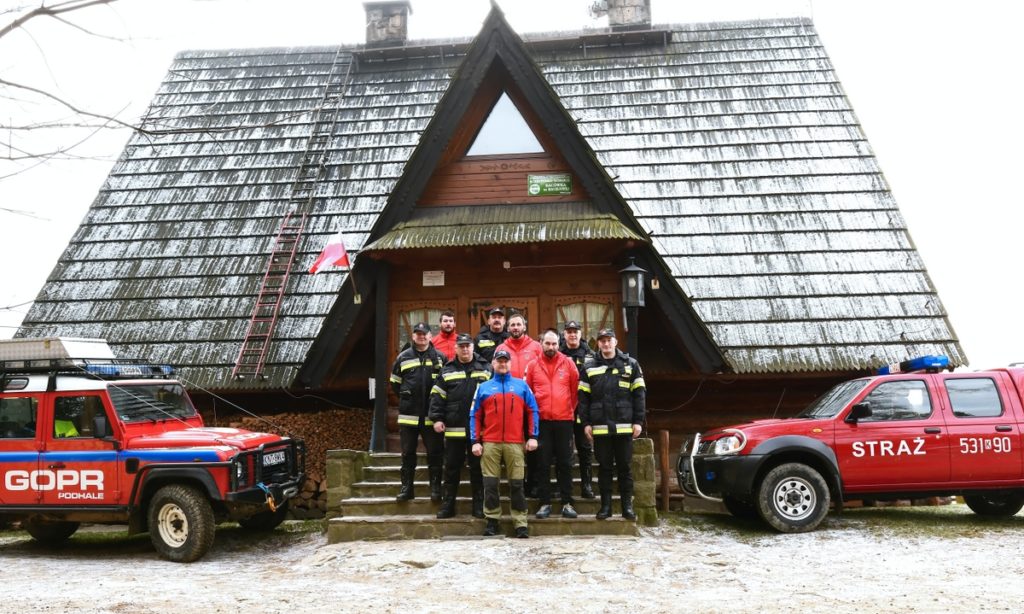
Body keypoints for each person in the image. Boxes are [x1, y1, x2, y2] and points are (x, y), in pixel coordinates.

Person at [470, 350, 540, 538]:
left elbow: (532, 410)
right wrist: (475, 440)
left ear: (510, 364)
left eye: (505, 361)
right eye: (499, 361)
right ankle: (492, 521)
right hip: (490, 443)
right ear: (493, 363)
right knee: (490, 484)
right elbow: (474, 415)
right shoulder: (483, 387)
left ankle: (520, 523)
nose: (502, 364)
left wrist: (533, 436)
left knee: (517, 484)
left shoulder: (522, 386)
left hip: (515, 442)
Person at [578, 328, 646, 520]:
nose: (606, 344)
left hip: (625, 427)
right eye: (602, 341)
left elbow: (639, 395)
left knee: (625, 468)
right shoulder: (589, 367)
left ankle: (627, 507)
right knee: (604, 468)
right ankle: (605, 507)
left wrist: (638, 421)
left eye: (609, 340)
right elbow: (583, 399)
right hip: (600, 427)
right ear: (598, 344)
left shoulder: (631, 364)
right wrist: (586, 424)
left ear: (616, 342)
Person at [429, 333, 491, 519]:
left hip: (477, 431)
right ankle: (448, 505)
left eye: (468, 346)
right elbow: (437, 396)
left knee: (477, 469)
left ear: (473, 347)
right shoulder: (447, 370)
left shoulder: (486, 369)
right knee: (451, 469)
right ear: (455, 348)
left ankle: (479, 505)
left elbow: (493, 398)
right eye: (461, 346)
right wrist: (437, 418)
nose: (465, 349)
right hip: (454, 429)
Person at [525, 329, 580, 519]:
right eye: (547, 343)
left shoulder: (569, 363)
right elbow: (529, 394)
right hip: (541, 422)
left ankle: (567, 503)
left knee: (565, 463)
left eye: (554, 344)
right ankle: (544, 503)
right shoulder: (532, 365)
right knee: (542, 463)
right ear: (541, 343)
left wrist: (566, 410)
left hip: (564, 421)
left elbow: (574, 393)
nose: (551, 347)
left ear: (559, 344)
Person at [390, 321, 445, 503]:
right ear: (413, 336)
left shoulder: (440, 358)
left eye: (424, 333)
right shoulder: (403, 357)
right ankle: (407, 488)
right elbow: (395, 383)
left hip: (431, 415)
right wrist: (408, 398)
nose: (421, 336)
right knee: (407, 453)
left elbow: (445, 385)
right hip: (409, 415)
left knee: (435, 453)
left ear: (430, 336)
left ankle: (436, 488)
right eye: (418, 334)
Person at [494, 312, 543, 496]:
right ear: (508, 328)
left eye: (518, 324)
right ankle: (517, 484)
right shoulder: (501, 347)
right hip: (508, 406)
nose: (515, 327)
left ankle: (534, 484)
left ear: (524, 326)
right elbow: (495, 373)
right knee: (513, 445)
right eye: (512, 325)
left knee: (533, 444)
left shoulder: (536, 347)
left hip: (530, 404)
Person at [559, 320, 596, 499]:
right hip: (562, 407)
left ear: (581, 334)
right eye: (569, 331)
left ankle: (586, 485)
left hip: (582, 408)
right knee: (562, 450)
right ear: (564, 334)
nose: (572, 335)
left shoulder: (591, 355)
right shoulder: (558, 354)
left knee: (584, 448)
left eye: (575, 331)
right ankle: (563, 487)